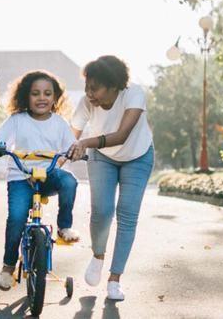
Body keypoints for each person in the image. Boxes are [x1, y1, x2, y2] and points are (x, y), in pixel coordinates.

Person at [68, 55, 154, 301]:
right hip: (102, 158)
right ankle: (98, 256)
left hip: (137, 156)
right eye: (87, 87)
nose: (89, 93)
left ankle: (115, 279)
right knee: (102, 211)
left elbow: (122, 135)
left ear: (114, 85)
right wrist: (59, 157)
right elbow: (70, 136)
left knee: (127, 214)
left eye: (94, 88)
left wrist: (85, 142)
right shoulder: (87, 103)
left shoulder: (133, 94)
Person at [0, 70, 79, 290]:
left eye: (47, 93)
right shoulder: (17, 120)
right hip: (20, 177)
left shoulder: (60, 123)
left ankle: (65, 227)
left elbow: (70, 147)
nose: (42, 98)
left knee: (70, 182)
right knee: (16, 218)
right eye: (35, 93)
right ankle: (7, 268)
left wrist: (75, 151)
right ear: (26, 96)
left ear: (55, 98)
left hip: (48, 175)